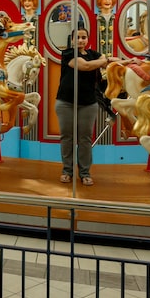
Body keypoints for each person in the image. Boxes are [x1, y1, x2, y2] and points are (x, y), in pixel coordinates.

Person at [55, 27, 126, 186]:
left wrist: (128, 61)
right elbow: (85, 66)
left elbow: (111, 62)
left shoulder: (93, 54)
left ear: (88, 39)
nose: (80, 40)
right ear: (72, 39)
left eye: (83, 37)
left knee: (85, 138)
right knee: (67, 137)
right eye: (77, 37)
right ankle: (67, 170)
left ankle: (85, 172)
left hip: (88, 103)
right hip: (66, 102)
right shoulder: (68, 53)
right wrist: (105, 60)